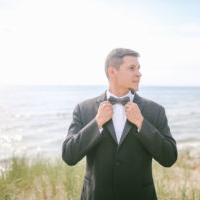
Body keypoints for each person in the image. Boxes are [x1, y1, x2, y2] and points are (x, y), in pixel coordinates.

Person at [62, 48, 177, 200]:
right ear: (112, 71)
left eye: (138, 68)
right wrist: (97, 123)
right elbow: (69, 156)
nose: (138, 73)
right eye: (131, 68)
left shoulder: (155, 110)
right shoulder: (84, 109)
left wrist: (142, 123)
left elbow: (169, 157)